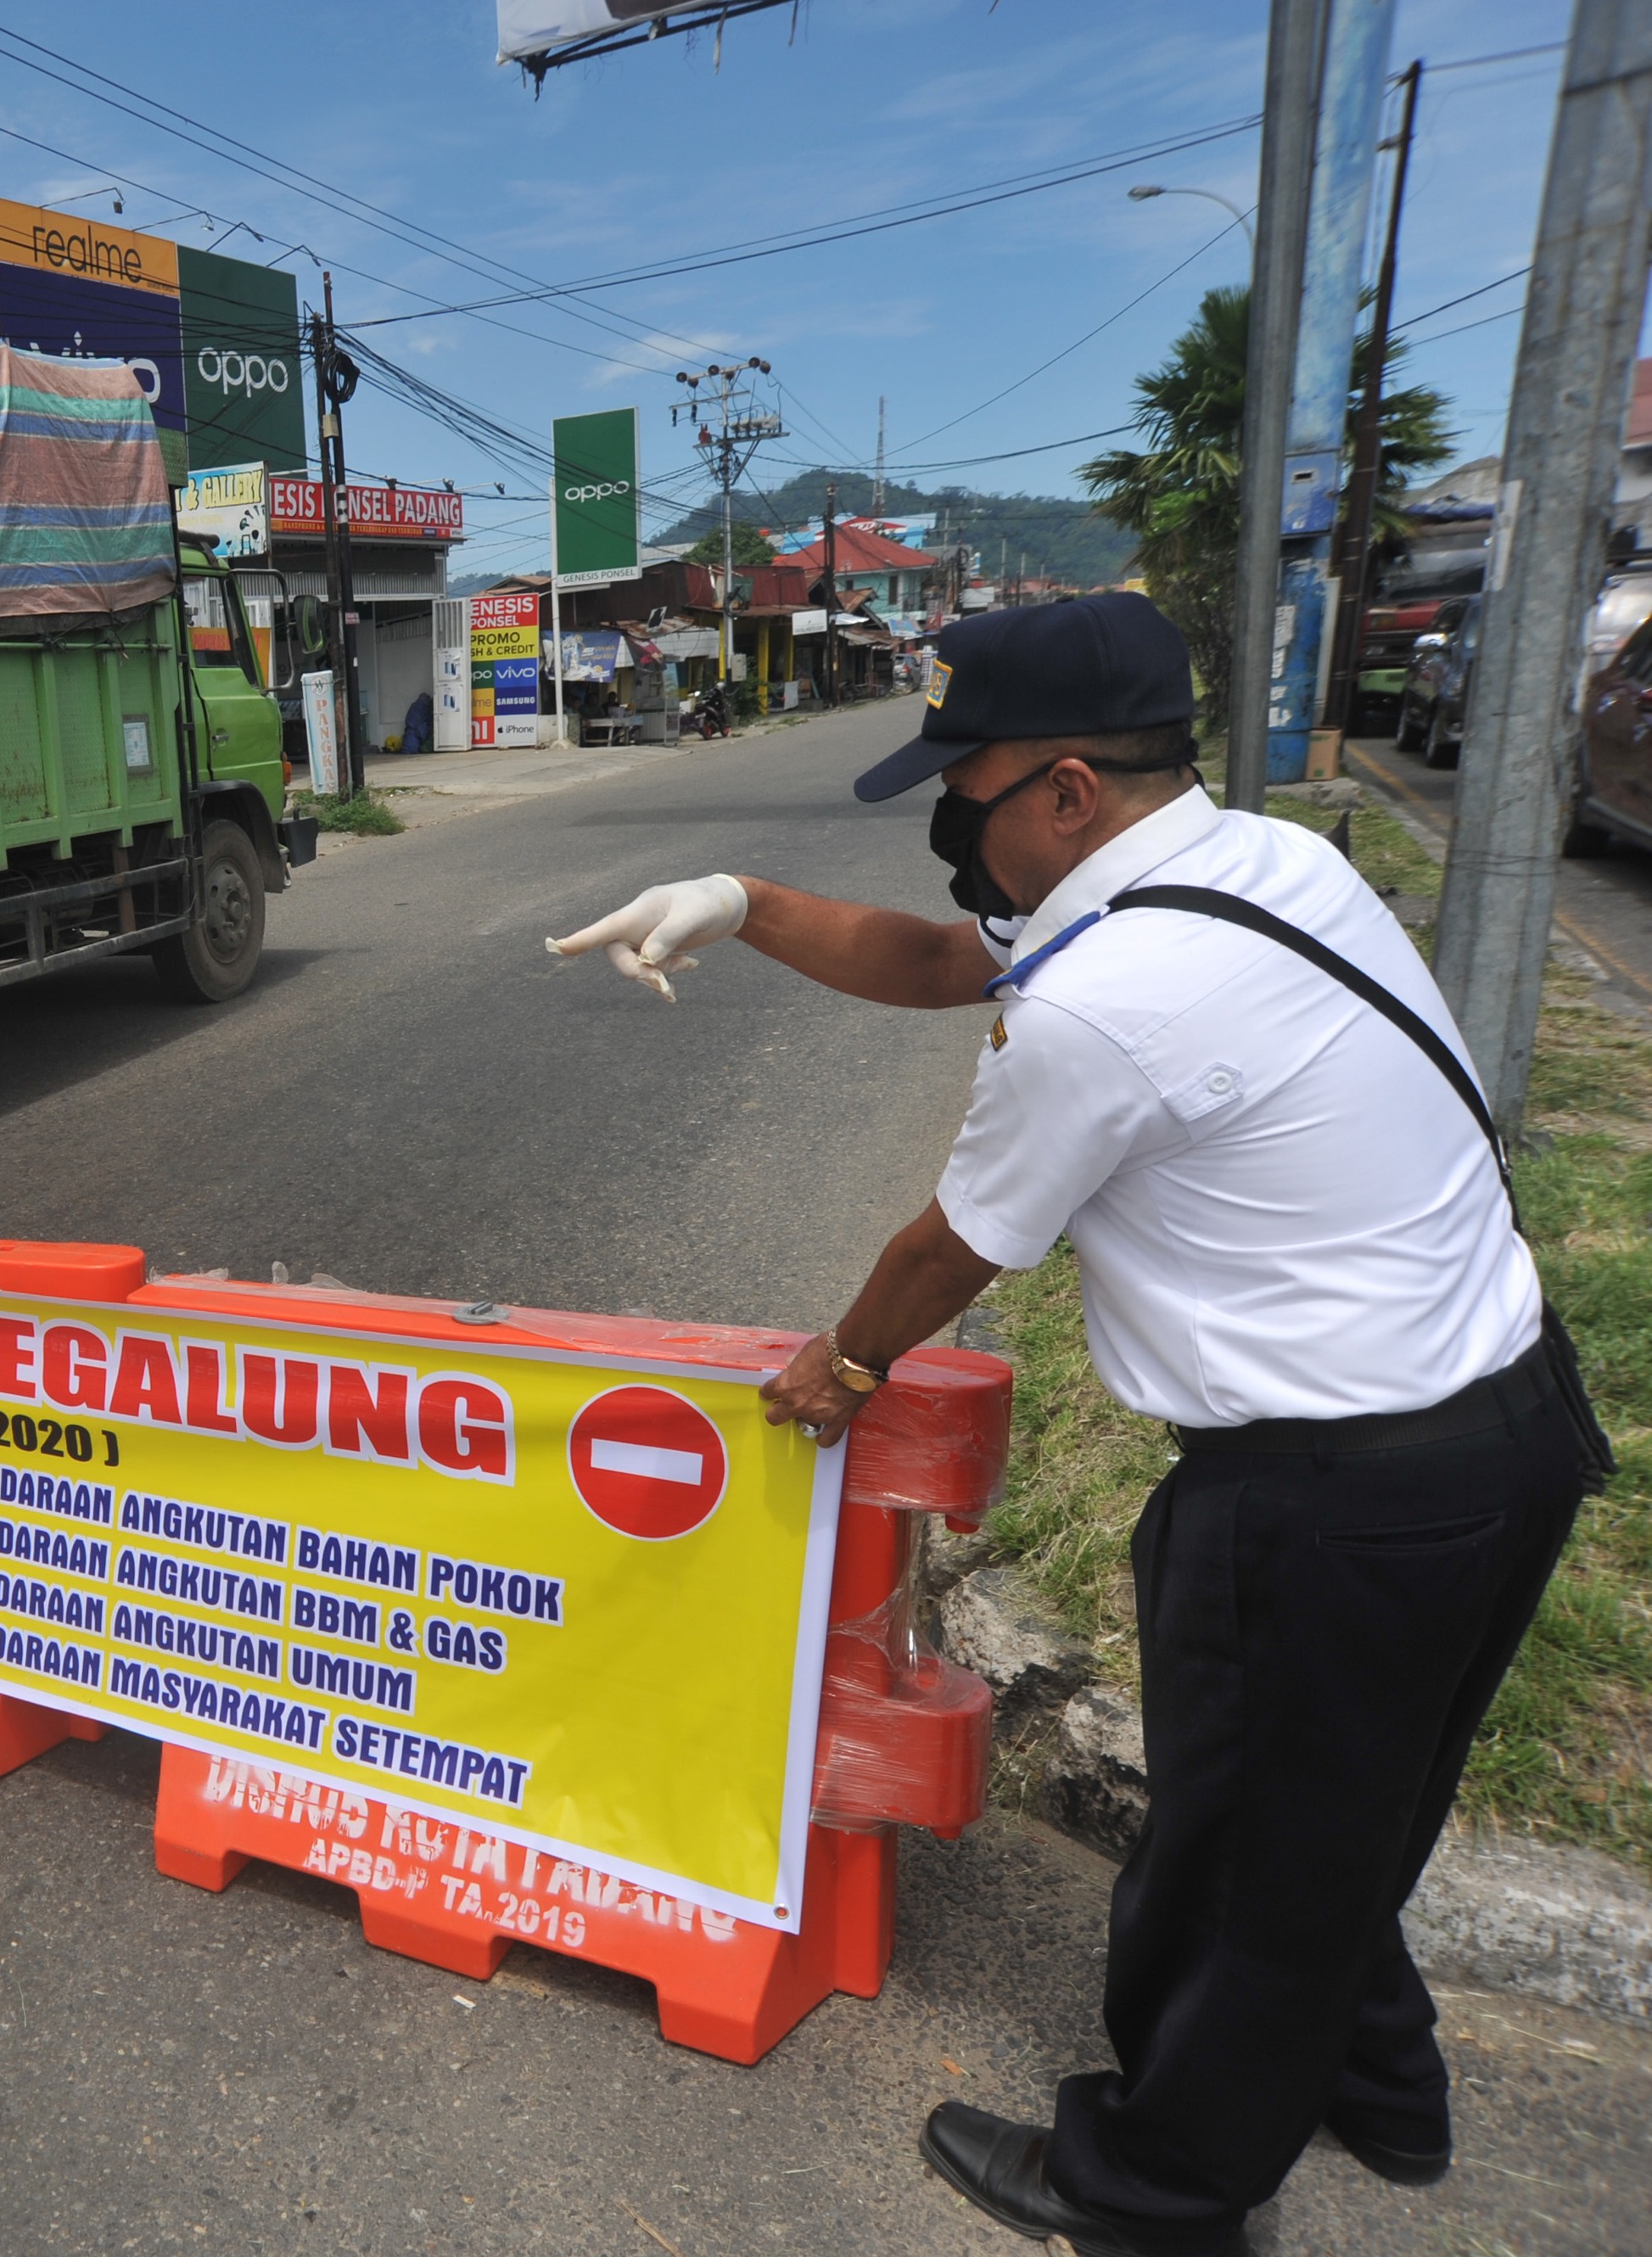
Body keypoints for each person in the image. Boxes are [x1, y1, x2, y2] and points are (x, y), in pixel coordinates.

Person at [548, 591, 1596, 2257]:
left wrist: (841, 1368)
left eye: (963, 790)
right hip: (1507, 1428)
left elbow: (950, 1246)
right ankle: (1383, 2087)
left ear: (1067, 790)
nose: (949, 828)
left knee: (1237, 1857)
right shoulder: (1255, 865)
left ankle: (1156, 2188)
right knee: (1351, 1809)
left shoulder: (1115, 997)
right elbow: (941, 959)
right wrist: (741, 904)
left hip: (1339, 1493)